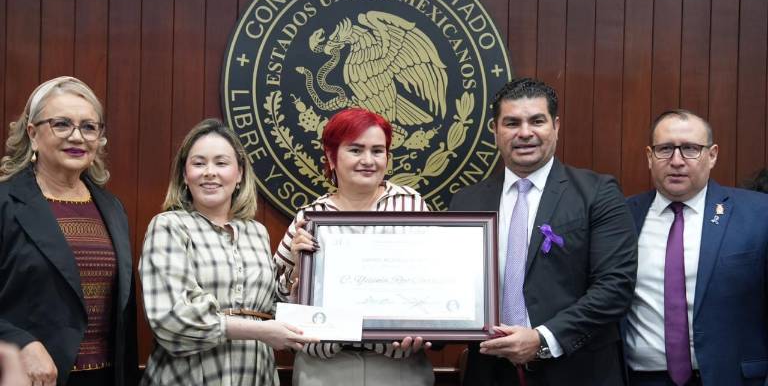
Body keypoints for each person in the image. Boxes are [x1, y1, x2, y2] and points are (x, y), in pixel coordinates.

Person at [449, 78, 638, 385]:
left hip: (577, 371)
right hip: (490, 373)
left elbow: (615, 286)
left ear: (556, 126)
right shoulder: (467, 201)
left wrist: (543, 339)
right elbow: (451, 283)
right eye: (512, 122)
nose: (525, 133)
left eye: (537, 121)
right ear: (495, 130)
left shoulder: (597, 193)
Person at [138, 119, 316, 386]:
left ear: (240, 173)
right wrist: (261, 332)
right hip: (188, 377)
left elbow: (265, 308)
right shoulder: (168, 227)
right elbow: (171, 319)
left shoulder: (256, 232)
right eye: (199, 164)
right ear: (185, 175)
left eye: (221, 163)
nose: (210, 172)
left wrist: (300, 277)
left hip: (256, 375)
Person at [274, 107, 434, 386]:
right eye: (356, 150)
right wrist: (298, 272)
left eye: (377, 150)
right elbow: (278, 301)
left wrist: (430, 324)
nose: (368, 160)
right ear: (331, 157)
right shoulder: (309, 218)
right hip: (324, 368)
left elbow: (437, 276)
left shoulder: (412, 205)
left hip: (397, 364)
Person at [0, 76, 138, 386]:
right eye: (62, 124)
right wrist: (19, 343)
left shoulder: (112, 209)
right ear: (33, 134)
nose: (77, 137)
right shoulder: (4, 203)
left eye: (89, 127)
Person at [624, 109, 768, 386]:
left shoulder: (758, 214)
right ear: (649, 157)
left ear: (712, 155)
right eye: (665, 149)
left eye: (690, 149)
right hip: (643, 378)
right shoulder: (623, 216)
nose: (676, 161)